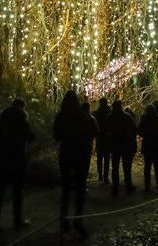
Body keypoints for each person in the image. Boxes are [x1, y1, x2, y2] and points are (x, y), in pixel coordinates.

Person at [0, 98, 35, 235]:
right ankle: (17, 220)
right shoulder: (21, 119)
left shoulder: (1, 119)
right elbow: (31, 137)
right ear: (22, 107)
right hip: (17, 159)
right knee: (17, 191)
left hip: (2, 158)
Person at [54, 90, 94, 236]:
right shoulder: (81, 116)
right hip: (79, 154)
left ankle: (64, 219)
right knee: (80, 187)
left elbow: (56, 136)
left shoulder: (60, 117)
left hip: (66, 153)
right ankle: (78, 218)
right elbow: (87, 134)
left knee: (65, 188)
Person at [105, 99, 137, 196]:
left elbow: (106, 130)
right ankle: (128, 187)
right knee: (126, 167)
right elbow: (134, 130)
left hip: (115, 145)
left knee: (115, 167)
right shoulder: (127, 117)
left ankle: (115, 189)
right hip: (125, 144)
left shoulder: (110, 117)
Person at [137, 104, 158, 191]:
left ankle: (147, 185)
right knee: (157, 165)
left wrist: (145, 135)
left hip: (148, 144)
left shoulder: (144, 120)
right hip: (156, 145)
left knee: (147, 166)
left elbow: (139, 131)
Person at [93, 97, 111, 183]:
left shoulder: (96, 113)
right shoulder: (110, 112)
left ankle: (100, 176)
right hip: (107, 138)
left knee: (100, 158)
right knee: (106, 158)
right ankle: (105, 176)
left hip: (100, 137)